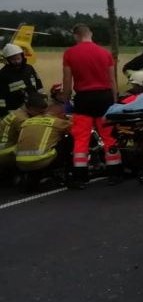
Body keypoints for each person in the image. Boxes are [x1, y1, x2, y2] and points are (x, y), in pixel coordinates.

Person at [61, 24, 121, 188]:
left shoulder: (70, 54)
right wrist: (114, 101)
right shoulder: (105, 53)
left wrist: (65, 101)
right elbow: (112, 80)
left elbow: (67, 82)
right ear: (90, 34)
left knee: (81, 140)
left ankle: (80, 177)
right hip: (104, 98)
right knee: (109, 137)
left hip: (83, 100)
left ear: (76, 36)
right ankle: (114, 174)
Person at [15, 94, 71, 190]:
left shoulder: (26, 121)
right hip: (41, 160)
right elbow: (77, 129)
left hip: (20, 162)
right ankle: (69, 172)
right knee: (69, 139)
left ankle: (34, 177)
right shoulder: (56, 121)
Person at [0, 43, 44, 118]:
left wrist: (43, 100)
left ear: (22, 56)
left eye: (18, 58)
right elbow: (1, 96)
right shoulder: (3, 74)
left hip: (34, 109)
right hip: (15, 112)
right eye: (13, 59)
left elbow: (39, 85)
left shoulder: (29, 68)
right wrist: (3, 114)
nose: (17, 61)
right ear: (7, 60)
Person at [0, 99, 33, 182]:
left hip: (4, 146)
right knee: (31, 147)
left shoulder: (15, 113)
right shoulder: (21, 119)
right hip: (5, 151)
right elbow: (28, 136)